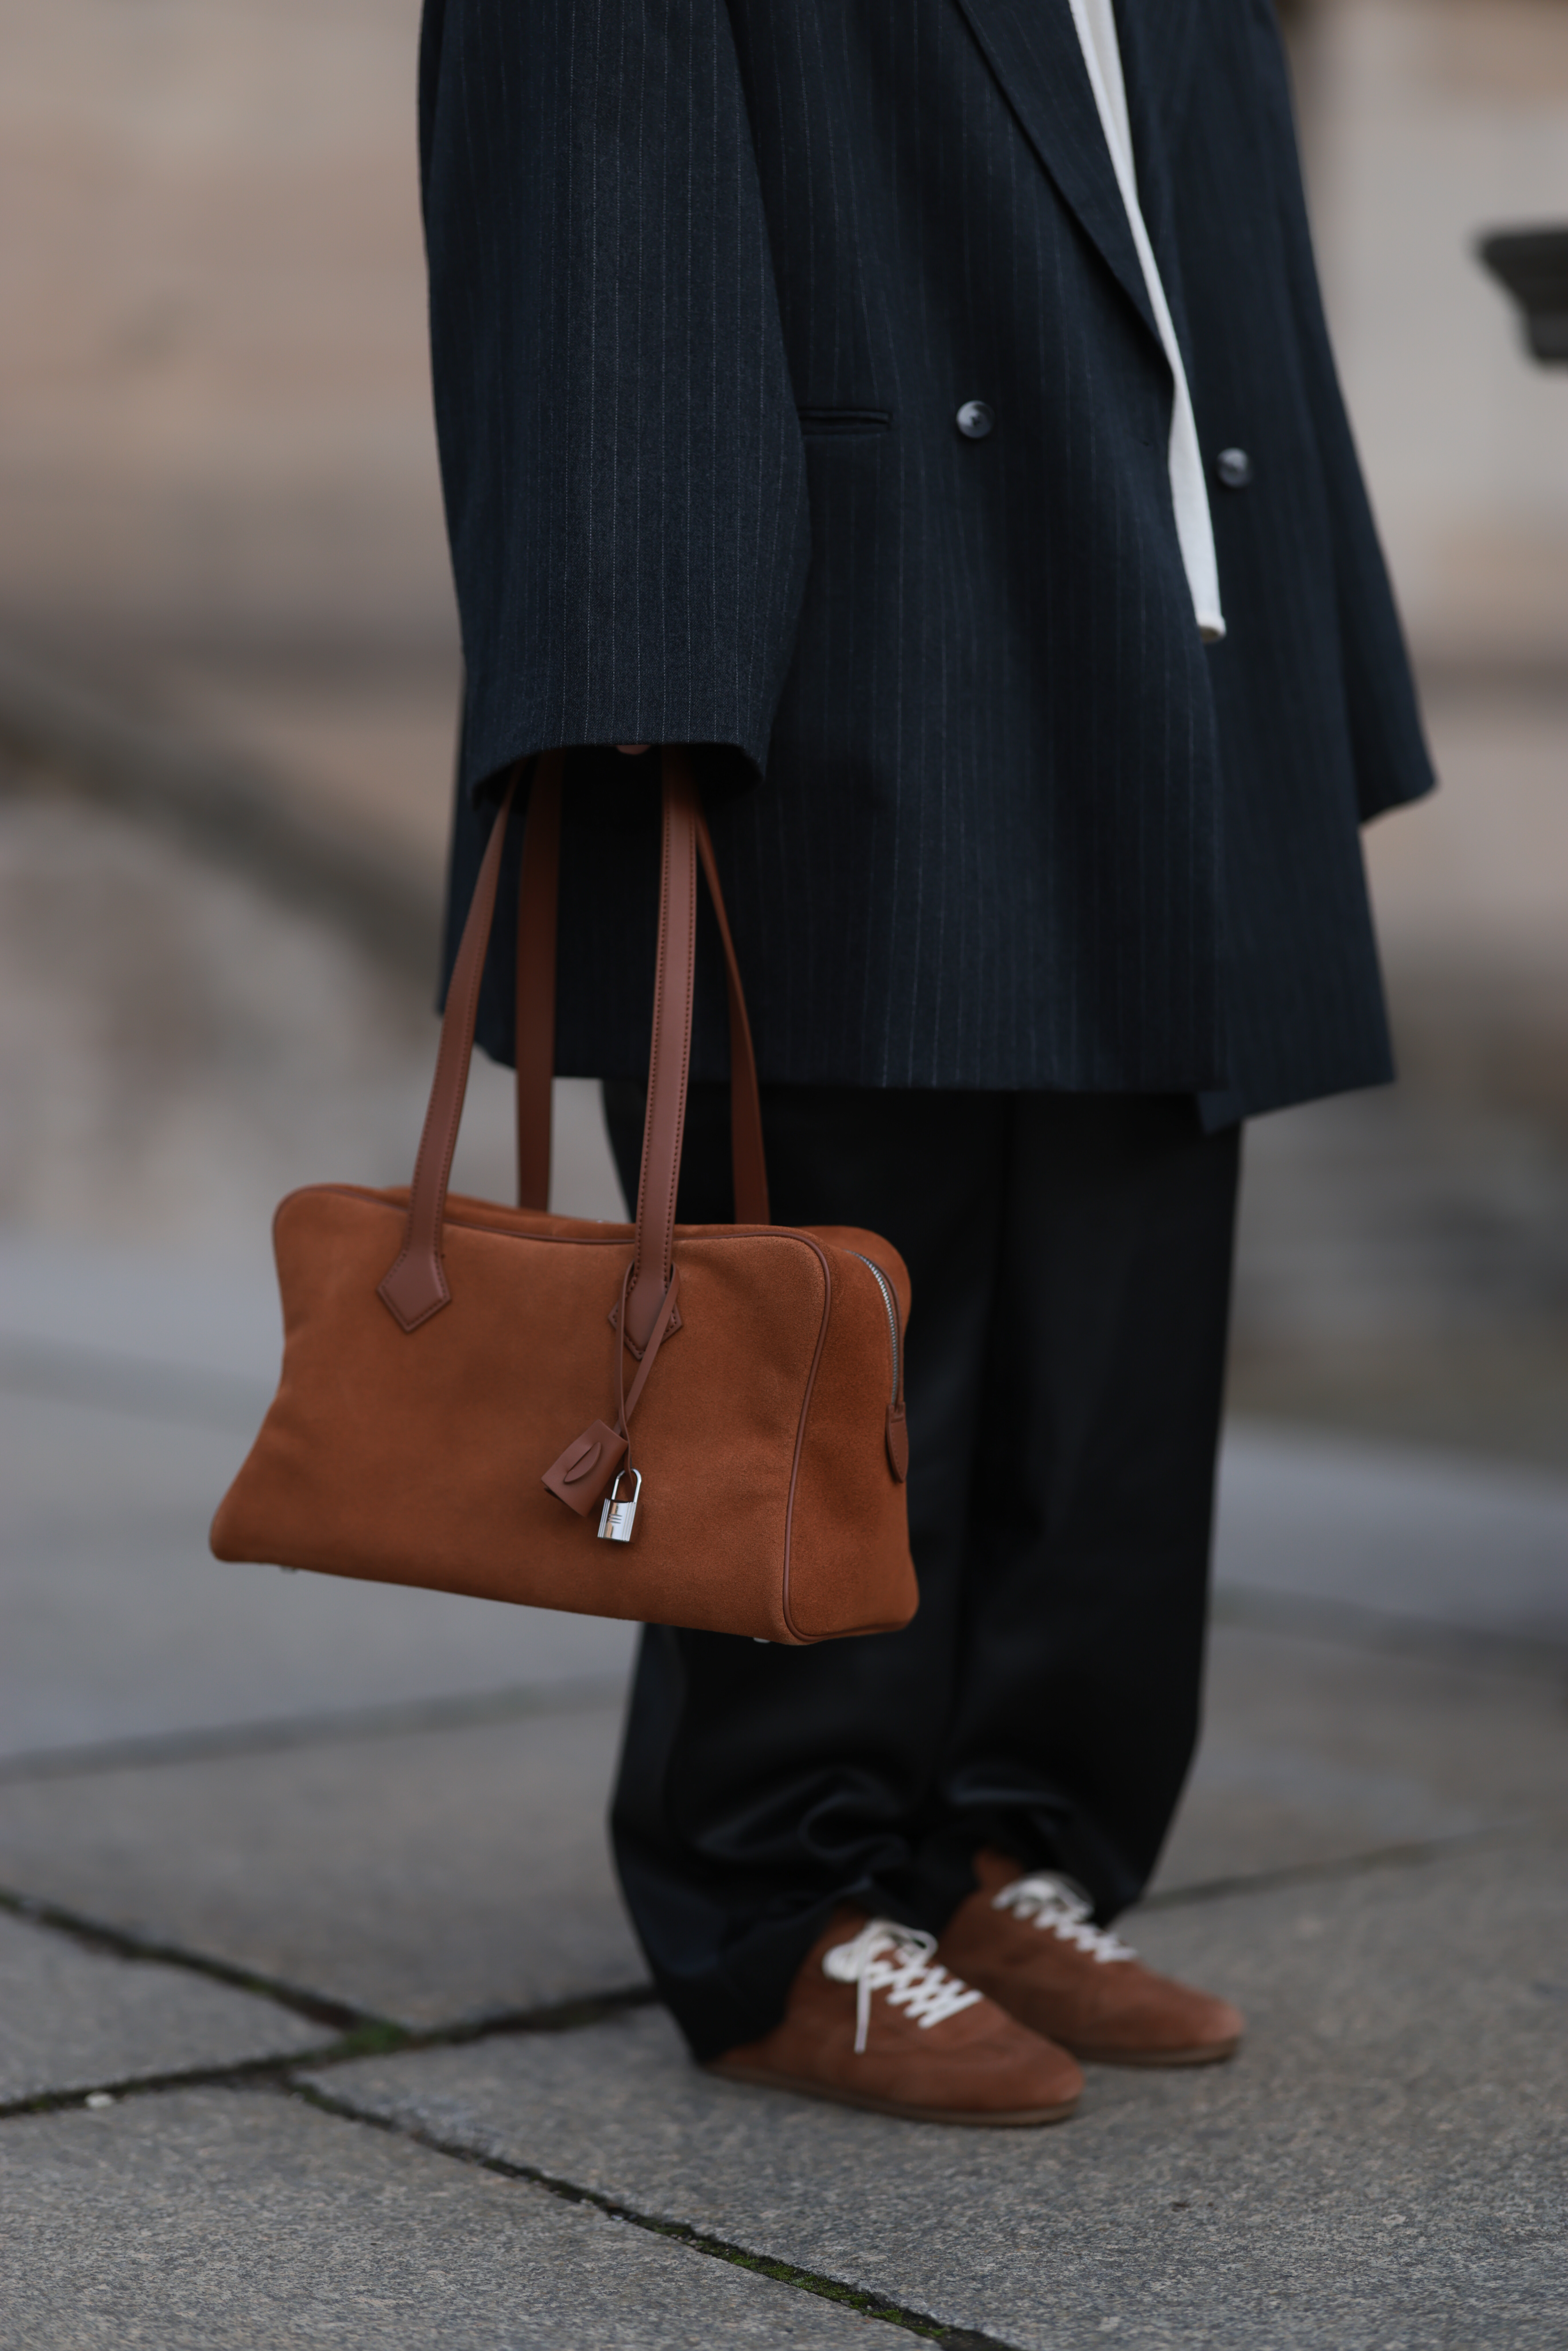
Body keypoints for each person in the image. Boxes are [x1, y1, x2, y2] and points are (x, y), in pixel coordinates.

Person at [417, 0, 1433, 2125]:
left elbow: (1217, 245)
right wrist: (634, 665)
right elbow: (587, 182)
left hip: (1169, 626)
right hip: (845, 653)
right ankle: (782, 1907)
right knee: (830, 1313)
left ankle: (1005, 1848)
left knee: (1122, 1305)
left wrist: (1323, 668)